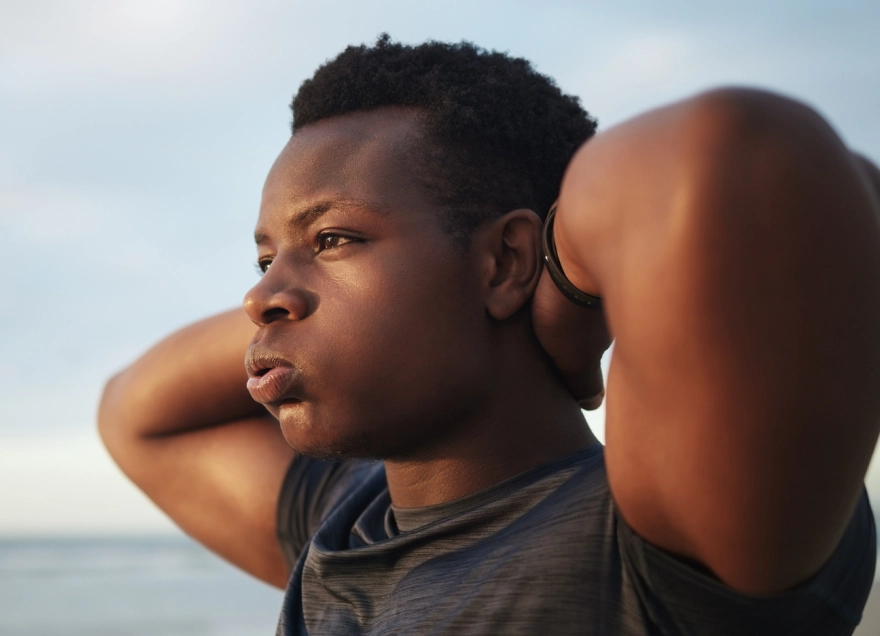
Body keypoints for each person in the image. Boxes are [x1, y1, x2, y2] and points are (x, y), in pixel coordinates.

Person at [98, 36, 880, 635]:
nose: (260, 295)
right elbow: (133, 410)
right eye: (267, 256)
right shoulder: (345, 518)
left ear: (506, 259)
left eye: (333, 239)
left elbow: (737, 158)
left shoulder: (662, 538)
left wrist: (568, 293)